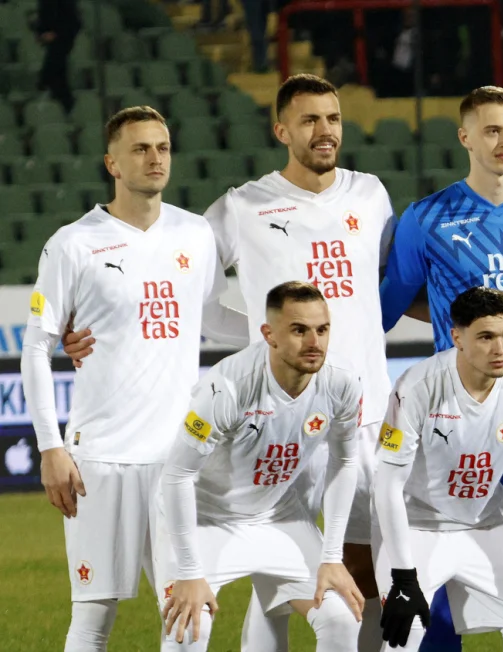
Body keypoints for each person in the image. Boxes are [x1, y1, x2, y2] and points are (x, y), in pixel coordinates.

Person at [19, 106, 241, 652]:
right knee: (94, 620)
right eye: (140, 148)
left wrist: (276, 335)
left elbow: (209, 316)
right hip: (101, 458)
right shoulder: (73, 243)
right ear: (111, 163)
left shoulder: (195, 234)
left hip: (179, 461)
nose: (155, 157)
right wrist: (50, 447)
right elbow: (36, 347)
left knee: (193, 617)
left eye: (163, 147)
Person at [379, 85, 503, 652]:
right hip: (457, 417)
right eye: (491, 130)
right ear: (465, 137)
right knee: (445, 543)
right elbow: (388, 306)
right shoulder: (428, 218)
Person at [204, 73, 396, 651]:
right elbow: (196, 296)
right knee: (281, 569)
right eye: (310, 120)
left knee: (369, 573)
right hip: (280, 420)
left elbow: (389, 283)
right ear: (281, 129)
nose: (325, 131)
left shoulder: (371, 195)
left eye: (333, 118)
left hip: (364, 414)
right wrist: (265, 341)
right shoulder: (243, 207)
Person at [158, 281, 366, 651]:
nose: (314, 342)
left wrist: (332, 558)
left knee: (341, 617)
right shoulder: (228, 386)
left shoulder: (341, 381)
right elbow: (177, 475)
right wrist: (189, 572)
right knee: (190, 627)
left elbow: (345, 459)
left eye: (322, 329)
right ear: (269, 334)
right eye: (299, 330)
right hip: (205, 518)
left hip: (277, 515)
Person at [373, 287, 503, 650]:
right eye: (485, 337)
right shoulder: (418, 385)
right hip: (416, 526)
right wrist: (404, 577)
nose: (499, 349)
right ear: (456, 336)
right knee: (404, 631)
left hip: (484, 522)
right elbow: (388, 482)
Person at [37, 0, 80, 111]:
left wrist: (56, 34)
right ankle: (64, 102)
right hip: (55, 41)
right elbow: (43, 20)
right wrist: (43, 33)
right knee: (57, 72)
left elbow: (73, 23)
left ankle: (48, 85)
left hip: (62, 39)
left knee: (56, 70)